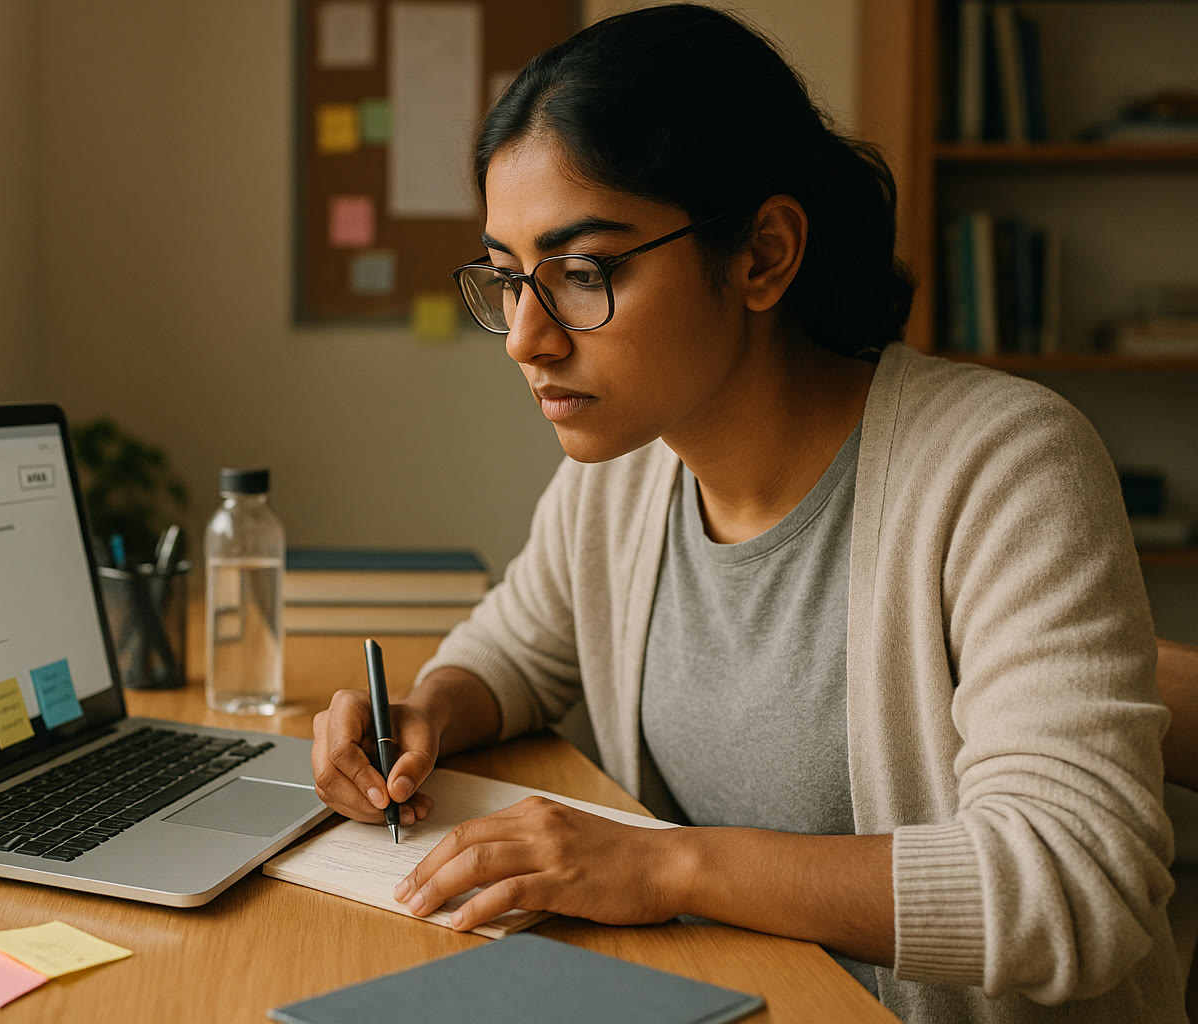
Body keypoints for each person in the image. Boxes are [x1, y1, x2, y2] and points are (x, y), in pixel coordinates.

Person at [309, 5, 1183, 1021]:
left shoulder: (1005, 466)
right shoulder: (628, 471)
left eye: (583, 272)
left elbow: (1077, 888)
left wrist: (670, 869)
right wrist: (426, 713)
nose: (526, 339)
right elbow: (517, 648)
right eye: (507, 280)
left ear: (764, 254)